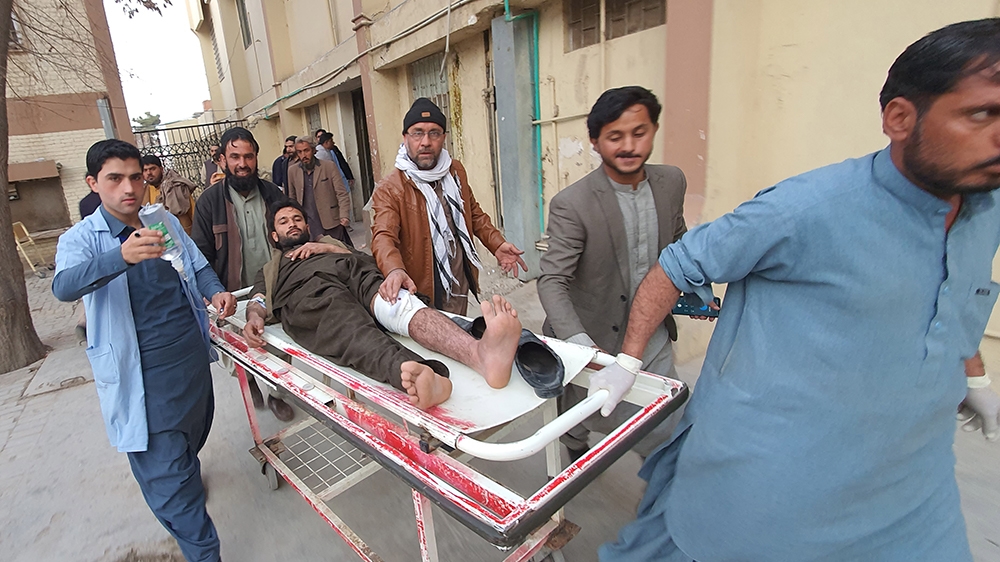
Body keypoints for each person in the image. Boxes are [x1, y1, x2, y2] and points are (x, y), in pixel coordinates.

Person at [592, 19, 1000, 562]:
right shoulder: (801, 211)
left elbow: (954, 295)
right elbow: (676, 264)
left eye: (639, 133)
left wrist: (975, 375)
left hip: (915, 494)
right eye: (982, 114)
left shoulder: (985, 210)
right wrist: (626, 361)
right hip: (776, 497)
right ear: (900, 117)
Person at [52, 139, 236, 562]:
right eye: (115, 179)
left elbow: (198, 265)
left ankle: (184, 486)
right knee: (173, 486)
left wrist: (216, 292)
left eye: (135, 176)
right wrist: (121, 256)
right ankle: (203, 550)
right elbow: (63, 286)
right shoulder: (83, 238)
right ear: (93, 184)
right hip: (142, 382)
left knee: (187, 452)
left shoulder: (162, 220)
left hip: (190, 370)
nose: (129, 188)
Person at [242, 198, 523, 408]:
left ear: (306, 225)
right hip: (310, 291)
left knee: (399, 303)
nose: (293, 223)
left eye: (297, 218)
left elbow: (368, 261)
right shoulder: (270, 269)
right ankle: (425, 375)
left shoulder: (328, 243)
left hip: (352, 270)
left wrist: (329, 248)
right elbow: (257, 300)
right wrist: (254, 316)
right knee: (352, 330)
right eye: (284, 221)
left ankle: (480, 354)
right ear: (275, 236)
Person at [538, 86, 689, 461]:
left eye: (639, 133)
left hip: (652, 338)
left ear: (653, 129)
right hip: (593, 337)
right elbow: (552, 281)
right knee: (578, 418)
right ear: (595, 141)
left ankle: (660, 498)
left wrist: (695, 286)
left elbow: (679, 242)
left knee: (665, 428)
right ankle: (574, 449)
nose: (628, 146)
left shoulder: (672, 182)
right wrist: (583, 348)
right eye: (614, 137)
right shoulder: (573, 204)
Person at [371, 97, 528, 314]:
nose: (425, 141)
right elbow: (383, 236)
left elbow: (472, 213)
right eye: (417, 133)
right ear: (405, 138)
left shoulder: (455, 171)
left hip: (457, 279)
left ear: (443, 137)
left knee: (460, 331)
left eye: (434, 133)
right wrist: (394, 270)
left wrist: (496, 243)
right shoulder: (391, 187)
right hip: (420, 285)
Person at [191, 126, 294, 422]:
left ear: (256, 157)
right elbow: (201, 253)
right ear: (223, 159)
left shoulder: (273, 193)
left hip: (273, 290)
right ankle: (249, 380)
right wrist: (212, 292)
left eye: (248, 156)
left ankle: (276, 393)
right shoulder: (209, 202)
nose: (242, 163)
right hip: (232, 295)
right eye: (235, 156)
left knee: (280, 346)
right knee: (239, 350)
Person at [286, 136, 353, 247]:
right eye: (300, 152)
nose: (303, 155)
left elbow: (341, 193)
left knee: (338, 254)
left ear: (313, 150)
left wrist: (344, 216)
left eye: (306, 151)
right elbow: (292, 198)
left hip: (331, 222)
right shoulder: (292, 171)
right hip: (308, 224)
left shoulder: (328, 167)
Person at [140, 155, 197, 234]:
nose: (149, 173)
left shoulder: (176, 187)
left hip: (183, 234)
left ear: (161, 169)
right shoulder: (142, 192)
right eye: (145, 170)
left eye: (152, 169)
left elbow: (194, 213)